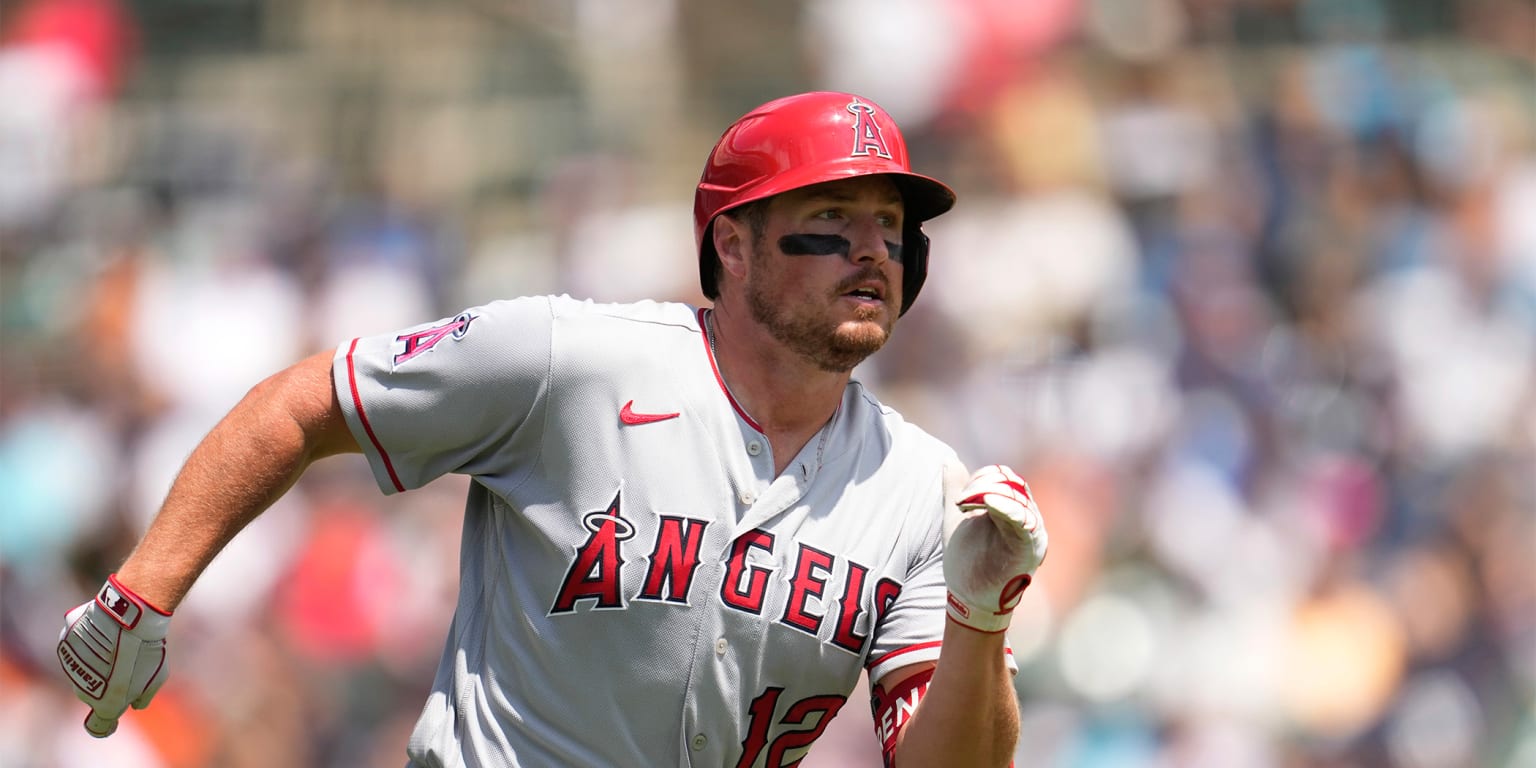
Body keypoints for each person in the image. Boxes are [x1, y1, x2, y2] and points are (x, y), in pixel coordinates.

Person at [57, 91, 1049, 767]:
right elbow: (307, 402)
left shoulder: (922, 489)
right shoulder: (570, 359)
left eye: (891, 225)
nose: (873, 250)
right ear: (734, 247)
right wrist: (145, 590)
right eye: (834, 217)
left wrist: (981, 613)